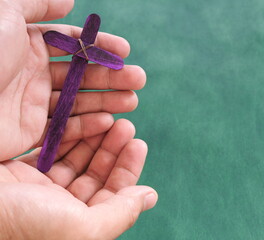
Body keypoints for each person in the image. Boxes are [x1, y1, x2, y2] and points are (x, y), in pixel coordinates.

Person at [0, 0, 158, 239]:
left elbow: (115, 61)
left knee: (68, 115)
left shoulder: (83, 52)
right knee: (65, 114)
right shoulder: (78, 49)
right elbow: (52, 37)